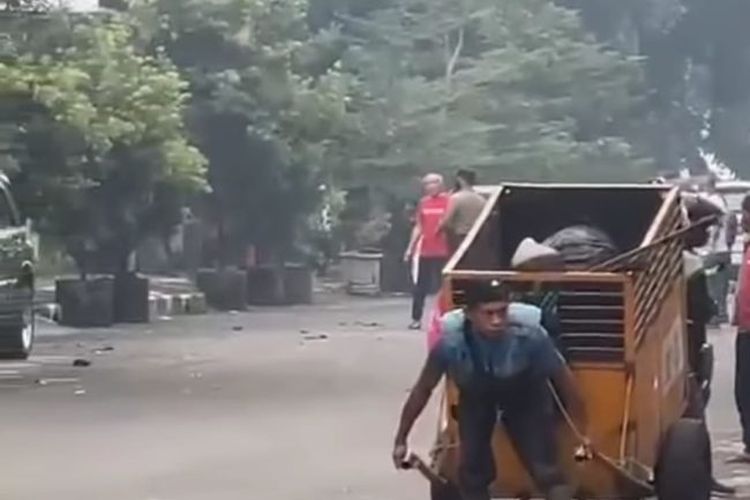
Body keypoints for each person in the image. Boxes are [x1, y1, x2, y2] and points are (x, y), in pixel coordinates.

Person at [392, 280, 587, 500]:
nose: (497, 320)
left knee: (546, 470)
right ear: (470, 314)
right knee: (472, 470)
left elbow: (565, 382)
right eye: (488, 313)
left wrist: (582, 434)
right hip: (477, 399)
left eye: (502, 312)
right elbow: (422, 389)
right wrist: (401, 439)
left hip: (525, 398)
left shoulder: (531, 338)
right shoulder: (451, 345)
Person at [404, 173, 450, 330]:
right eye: (427, 184)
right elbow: (419, 226)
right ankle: (416, 319)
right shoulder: (424, 203)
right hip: (426, 251)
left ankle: (446, 318)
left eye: (433, 183)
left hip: (444, 251)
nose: (430, 187)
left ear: (440, 184)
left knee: (445, 286)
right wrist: (410, 248)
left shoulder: (449, 201)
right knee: (420, 287)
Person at [734, 194, 750, 463]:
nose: (742, 218)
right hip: (745, 329)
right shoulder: (747, 247)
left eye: (746, 213)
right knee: (743, 389)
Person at [438, 168, 486, 254]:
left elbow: (446, 220)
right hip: (478, 238)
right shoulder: (481, 199)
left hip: (460, 237)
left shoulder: (456, 198)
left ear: (460, 180)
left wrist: (439, 227)